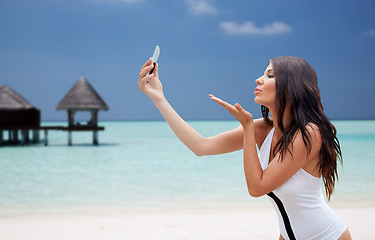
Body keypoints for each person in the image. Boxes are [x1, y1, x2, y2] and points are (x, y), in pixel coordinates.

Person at [138, 56, 352, 240]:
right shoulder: (263, 128)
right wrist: (159, 98)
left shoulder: (309, 133)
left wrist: (248, 127)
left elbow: (257, 187)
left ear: (291, 87)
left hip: (328, 236)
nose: (258, 79)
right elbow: (201, 146)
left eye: (270, 75)